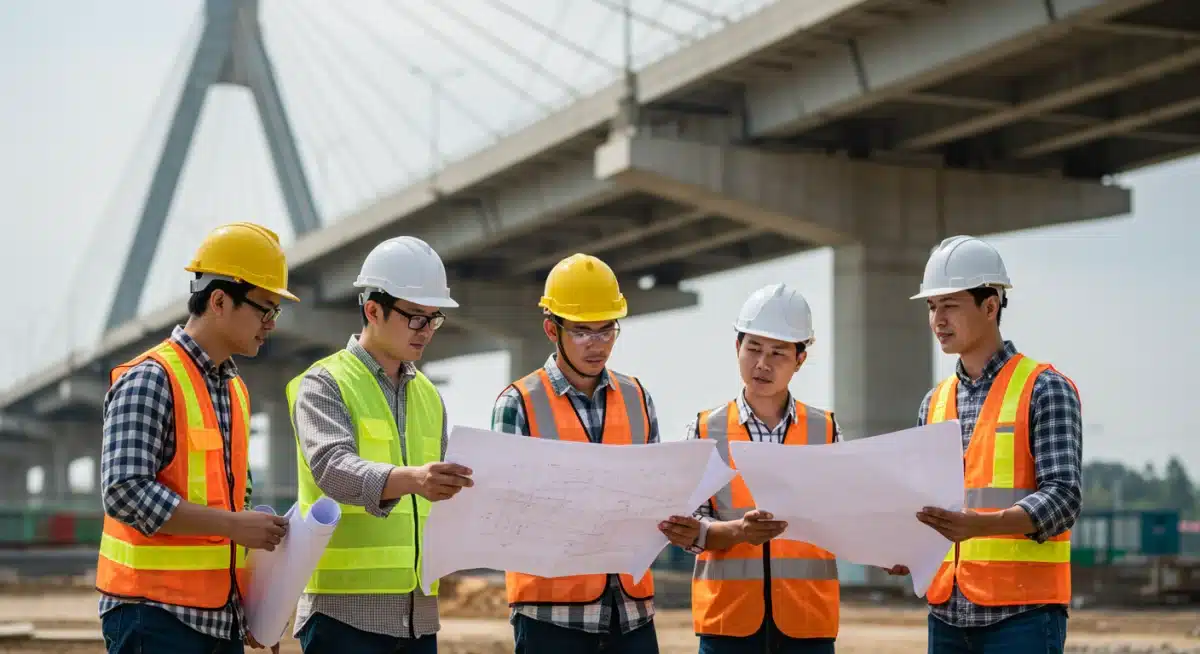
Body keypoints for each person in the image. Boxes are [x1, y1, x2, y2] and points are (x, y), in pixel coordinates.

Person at [97, 222, 299, 654]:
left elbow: (233, 508)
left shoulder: (234, 391)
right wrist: (233, 525)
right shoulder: (151, 379)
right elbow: (124, 492)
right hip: (152, 618)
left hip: (216, 622)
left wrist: (252, 608)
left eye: (275, 312)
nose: (271, 324)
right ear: (220, 300)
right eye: (265, 309)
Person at [491, 253, 686, 654]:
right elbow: (503, 511)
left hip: (630, 612)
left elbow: (657, 489)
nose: (597, 345)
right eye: (582, 331)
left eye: (607, 330)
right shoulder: (518, 404)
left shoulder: (637, 397)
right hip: (551, 617)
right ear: (551, 328)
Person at [288, 235, 473, 654]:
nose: (427, 331)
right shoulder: (324, 382)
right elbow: (332, 467)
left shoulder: (428, 395)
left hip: (418, 617)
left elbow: (436, 495)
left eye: (434, 318)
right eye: (415, 318)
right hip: (344, 616)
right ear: (373, 309)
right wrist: (414, 479)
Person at [897, 235, 1082, 653]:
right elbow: (924, 501)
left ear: (990, 306)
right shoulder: (934, 402)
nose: (937, 320)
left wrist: (982, 525)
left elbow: (1064, 498)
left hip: (1023, 617)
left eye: (949, 305)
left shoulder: (1044, 389)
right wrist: (905, 547)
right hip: (947, 614)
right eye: (931, 307)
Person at [685, 283, 842, 654]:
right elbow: (689, 528)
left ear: (800, 359)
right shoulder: (707, 430)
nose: (762, 364)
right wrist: (739, 531)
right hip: (728, 623)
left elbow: (842, 516)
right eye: (753, 348)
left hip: (807, 623)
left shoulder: (825, 430)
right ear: (736, 347)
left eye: (778, 353)